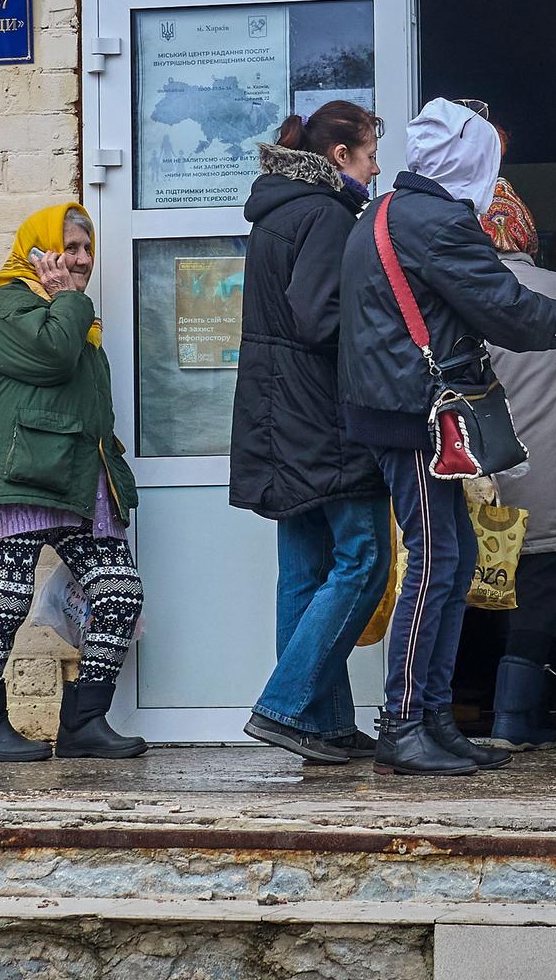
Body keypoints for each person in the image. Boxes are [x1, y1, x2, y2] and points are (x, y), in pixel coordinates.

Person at [338, 97, 556, 777]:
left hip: (400, 409)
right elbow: (501, 305)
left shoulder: (392, 209)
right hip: (416, 416)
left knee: (449, 562)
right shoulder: (439, 222)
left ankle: (433, 717)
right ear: (468, 163)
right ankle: (403, 722)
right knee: (433, 564)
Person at [230, 101, 392, 764]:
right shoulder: (326, 214)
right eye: (370, 152)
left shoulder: (280, 209)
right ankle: (285, 705)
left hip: (278, 412)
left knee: (305, 567)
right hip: (322, 413)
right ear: (339, 157)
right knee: (363, 559)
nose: (378, 166)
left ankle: (322, 721)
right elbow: (320, 317)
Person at [0, 202, 146, 763]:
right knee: (5, 599)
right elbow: (53, 358)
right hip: (23, 474)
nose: (83, 259)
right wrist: (67, 297)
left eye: (88, 249)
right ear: (40, 251)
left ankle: (85, 720)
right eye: (71, 247)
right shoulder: (7, 306)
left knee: (119, 594)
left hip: (77, 478)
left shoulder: (73, 313)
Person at [479, 178, 556, 750]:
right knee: (549, 585)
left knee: (485, 588)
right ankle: (513, 718)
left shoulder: (460, 296)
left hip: (486, 471)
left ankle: (493, 711)